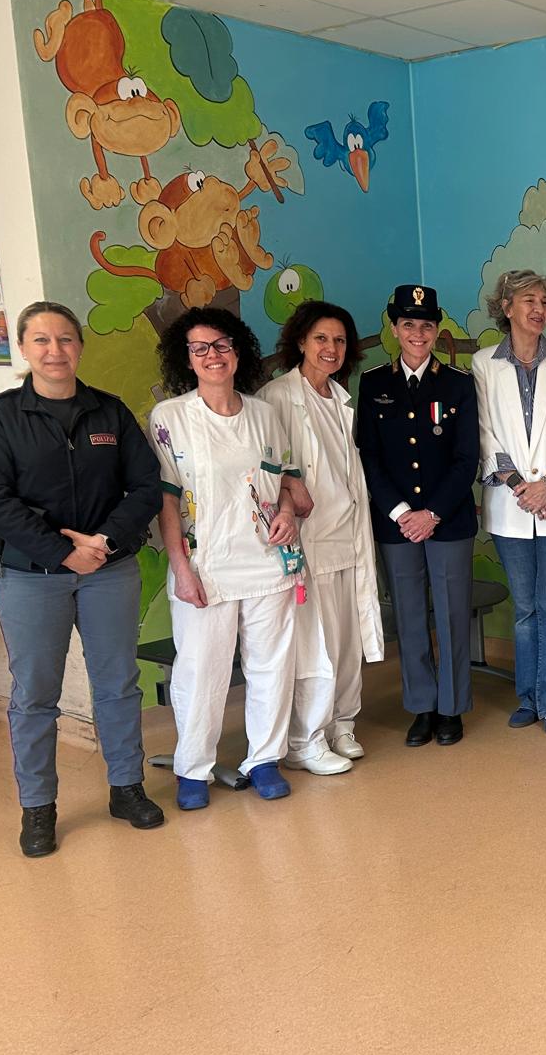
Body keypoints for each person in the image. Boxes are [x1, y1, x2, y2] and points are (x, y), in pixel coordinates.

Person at [0, 301, 164, 857]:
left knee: (118, 684)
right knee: (35, 696)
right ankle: (38, 807)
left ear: (80, 346)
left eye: (66, 339)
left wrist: (103, 542)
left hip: (108, 570)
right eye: (42, 340)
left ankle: (126, 788)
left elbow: (146, 486)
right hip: (32, 577)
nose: (55, 351)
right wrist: (61, 552)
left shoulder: (109, 412)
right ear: (23, 349)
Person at [150, 307, 301, 810]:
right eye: (200, 348)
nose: (212, 355)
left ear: (238, 351)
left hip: (267, 561)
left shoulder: (265, 414)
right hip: (205, 567)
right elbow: (167, 500)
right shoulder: (171, 418)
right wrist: (181, 569)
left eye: (221, 345)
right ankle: (193, 768)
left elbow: (282, 481)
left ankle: (264, 759)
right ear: (187, 358)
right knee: (200, 673)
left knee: (271, 667)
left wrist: (288, 514)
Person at [260, 301, 384, 772]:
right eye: (321, 339)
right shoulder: (276, 397)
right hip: (308, 541)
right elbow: (266, 470)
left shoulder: (341, 399)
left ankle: (342, 724)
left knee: (348, 641)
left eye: (339, 340)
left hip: (348, 536)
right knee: (316, 645)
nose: (331, 348)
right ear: (300, 342)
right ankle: (304, 739)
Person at [357, 285, 479, 748]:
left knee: (451, 616)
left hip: (448, 521)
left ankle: (451, 707)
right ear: (394, 328)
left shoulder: (458, 383)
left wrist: (432, 513)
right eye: (408, 324)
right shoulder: (374, 384)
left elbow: (466, 458)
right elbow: (369, 456)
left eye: (426, 325)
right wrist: (403, 512)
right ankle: (422, 706)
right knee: (409, 616)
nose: (417, 333)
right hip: (397, 524)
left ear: (436, 330)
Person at [475, 271, 546, 737]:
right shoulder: (484, 364)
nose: (540, 309)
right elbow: (485, 433)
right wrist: (522, 487)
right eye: (529, 300)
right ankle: (528, 697)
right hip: (511, 506)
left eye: (544, 301)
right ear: (506, 308)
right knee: (525, 608)